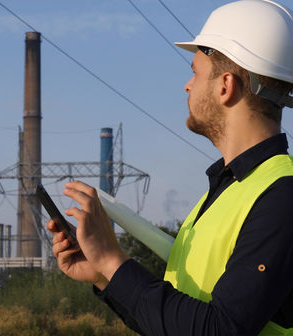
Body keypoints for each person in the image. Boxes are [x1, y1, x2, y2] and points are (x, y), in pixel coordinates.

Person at [47, 0, 293, 335]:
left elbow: (219, 330)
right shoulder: (226, 194)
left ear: (225, 86)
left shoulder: (282, 197)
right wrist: (105, 277)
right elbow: (174, 324)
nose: (187, 85)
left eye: (195, 71)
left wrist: (112, 260)